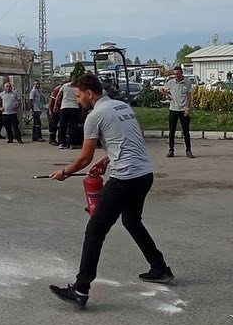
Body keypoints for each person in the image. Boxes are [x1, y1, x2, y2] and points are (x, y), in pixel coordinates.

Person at [49, 73, 173, 309]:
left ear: (89, 93)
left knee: (95, 229)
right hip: (144, 174)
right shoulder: (121, 106)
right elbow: (129, 140)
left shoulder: (95, 115)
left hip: (124, 178)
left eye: (78, 96)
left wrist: (65, 172)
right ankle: (159, 268)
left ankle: (81, 289)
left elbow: (85, 157)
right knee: (132, 221)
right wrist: (107, 158)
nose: (77, 100)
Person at [161, 66, 194, 158]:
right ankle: (171, 150)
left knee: (186, 131)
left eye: (178, 74)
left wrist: (187, 108)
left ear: (182, 73)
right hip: (173, 109)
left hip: (183, 110)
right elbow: (161, 89)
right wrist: (169, 95)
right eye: (175, 74)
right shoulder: (171, 82)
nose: (177, 76)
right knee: (172, 131)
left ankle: (188, 150)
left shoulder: (187, 82)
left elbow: (189, 96)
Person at [57, 78, 80, 150]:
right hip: (74, 107)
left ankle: (62, 143)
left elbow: (59, 95)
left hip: (64, 107)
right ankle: (72, 143)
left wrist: (56, 104)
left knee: (62, 125)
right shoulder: (78, 87)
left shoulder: (64, 86)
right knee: (73, 126)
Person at [47, 81, 62, 146]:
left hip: (59, 109)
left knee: (58, 125)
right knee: (53, 125)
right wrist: (50, 111)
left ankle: (58, 139)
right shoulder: (57, 90)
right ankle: (52, 139)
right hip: (53, 109)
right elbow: (51, 101)